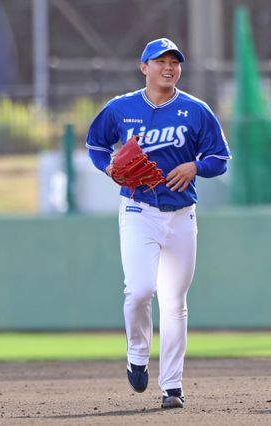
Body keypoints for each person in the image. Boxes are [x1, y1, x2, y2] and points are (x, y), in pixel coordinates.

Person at [86, 37, 231, 409]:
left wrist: (196, 166)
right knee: (139, 291)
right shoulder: (121, 109)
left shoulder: (196, 110)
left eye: (174, 62)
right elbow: (96, 145)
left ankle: (172, 385)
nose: (169, 68)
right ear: (144, 67)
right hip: (139, 210)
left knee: (174, 302)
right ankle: (137, 353)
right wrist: (108, 167)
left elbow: (220, 158)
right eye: (160, 61)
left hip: (182, 214)